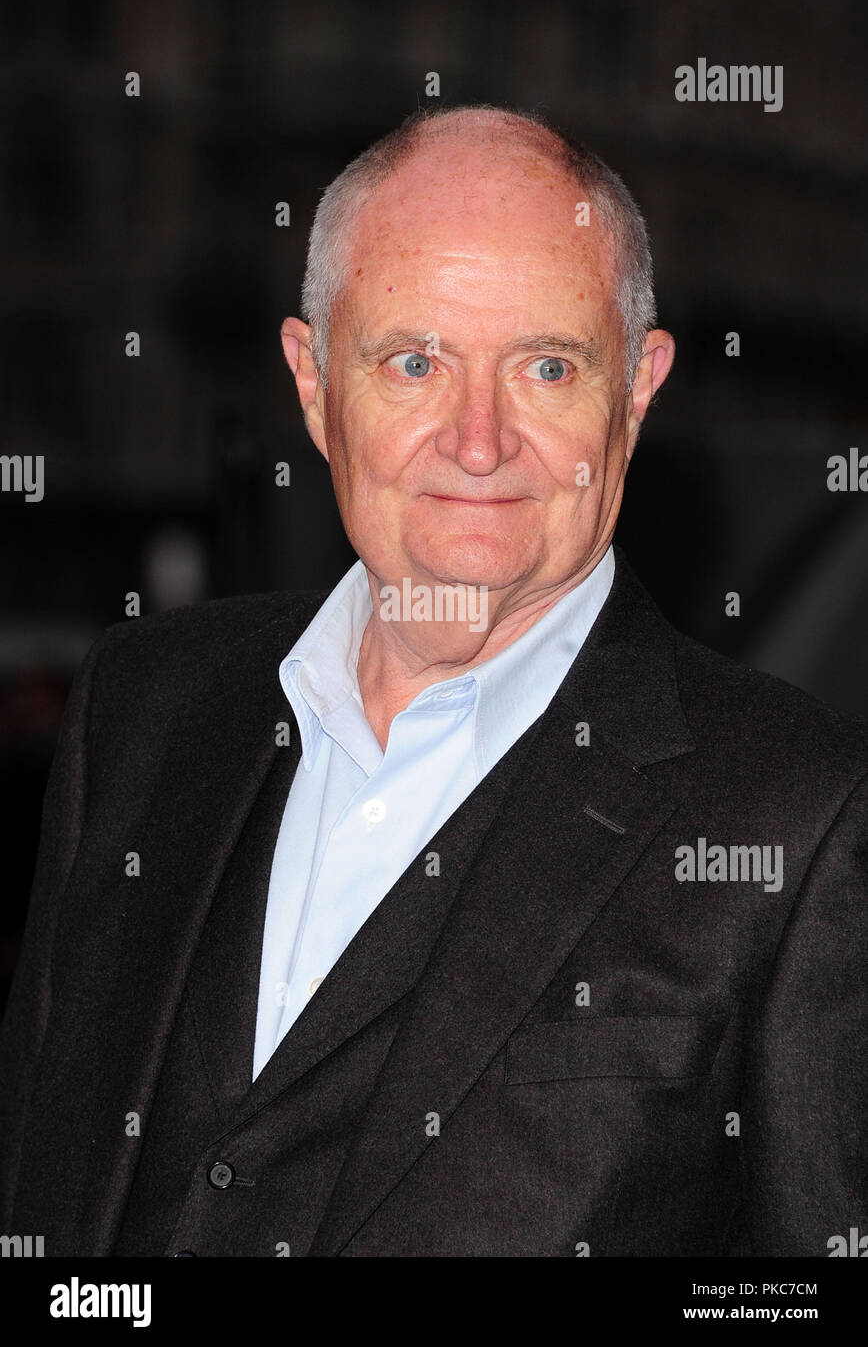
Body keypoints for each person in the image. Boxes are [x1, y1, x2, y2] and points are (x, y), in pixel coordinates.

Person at [1, 105, 866, 1258]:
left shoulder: (799, 810)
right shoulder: (142, 704)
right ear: (311, 382)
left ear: (637, 391)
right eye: (414, 362)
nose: (476, 440)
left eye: (547, 366)